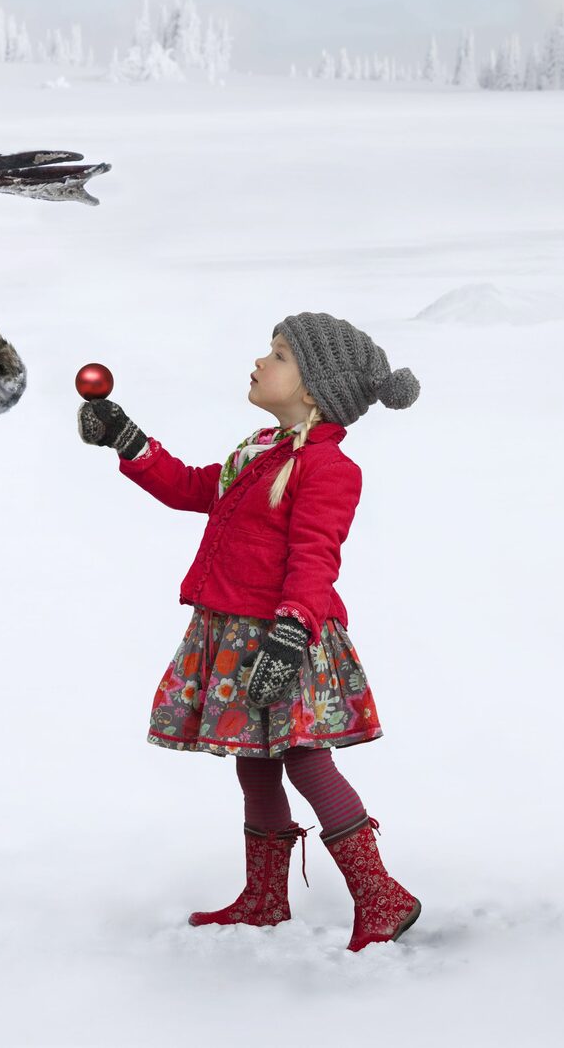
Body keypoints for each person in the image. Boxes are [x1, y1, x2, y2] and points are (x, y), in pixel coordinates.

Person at [78, 313, 423, 951]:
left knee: (304, 760)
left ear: (315, 389)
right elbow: (193, 488)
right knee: (254, 764)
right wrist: (129, 442)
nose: (263, 363)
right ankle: (264, 898)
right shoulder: (260, 450)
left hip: (283, 635)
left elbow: (316, 557)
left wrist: (289, 637)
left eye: (281, 356)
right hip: (233, 633)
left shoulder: (328, 469)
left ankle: (383, 895)